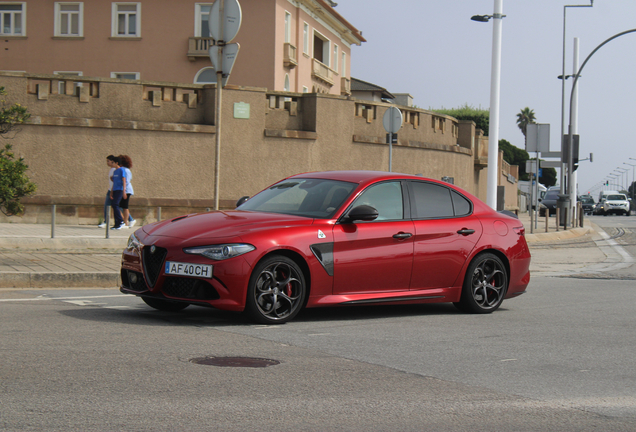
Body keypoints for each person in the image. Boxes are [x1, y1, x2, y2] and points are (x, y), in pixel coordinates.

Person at [98, 155, 118, 228]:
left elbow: (114, 181)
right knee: (118, 206)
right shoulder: (112, 170)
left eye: (108, 161)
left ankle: (106, 222)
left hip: (112, 190)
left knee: (108, 205)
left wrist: (112, 191)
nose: (107, 163)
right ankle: (129, 219)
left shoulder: (114, 170)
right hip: (111, 189)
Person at [118, 154, 136, 228]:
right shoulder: (121, 169)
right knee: (119, 206)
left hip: (126, 190)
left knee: (124, 206)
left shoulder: (126, 170)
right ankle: (124, 221)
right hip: (122, 190)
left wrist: (123, 191)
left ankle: (125, 222)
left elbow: (127, 181)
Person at [110, 157, 127, 229]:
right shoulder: (114, 171)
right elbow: (114, 182)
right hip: (115, 190)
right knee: (114, 205)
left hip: (120, 190)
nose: (111, 164)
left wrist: (124, 191)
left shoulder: (121, 170)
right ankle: (116, 223)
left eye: (113, 162)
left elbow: (124, 180)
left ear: (117, 163)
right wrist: (111, 192)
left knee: (115, 204)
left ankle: (121, 221)